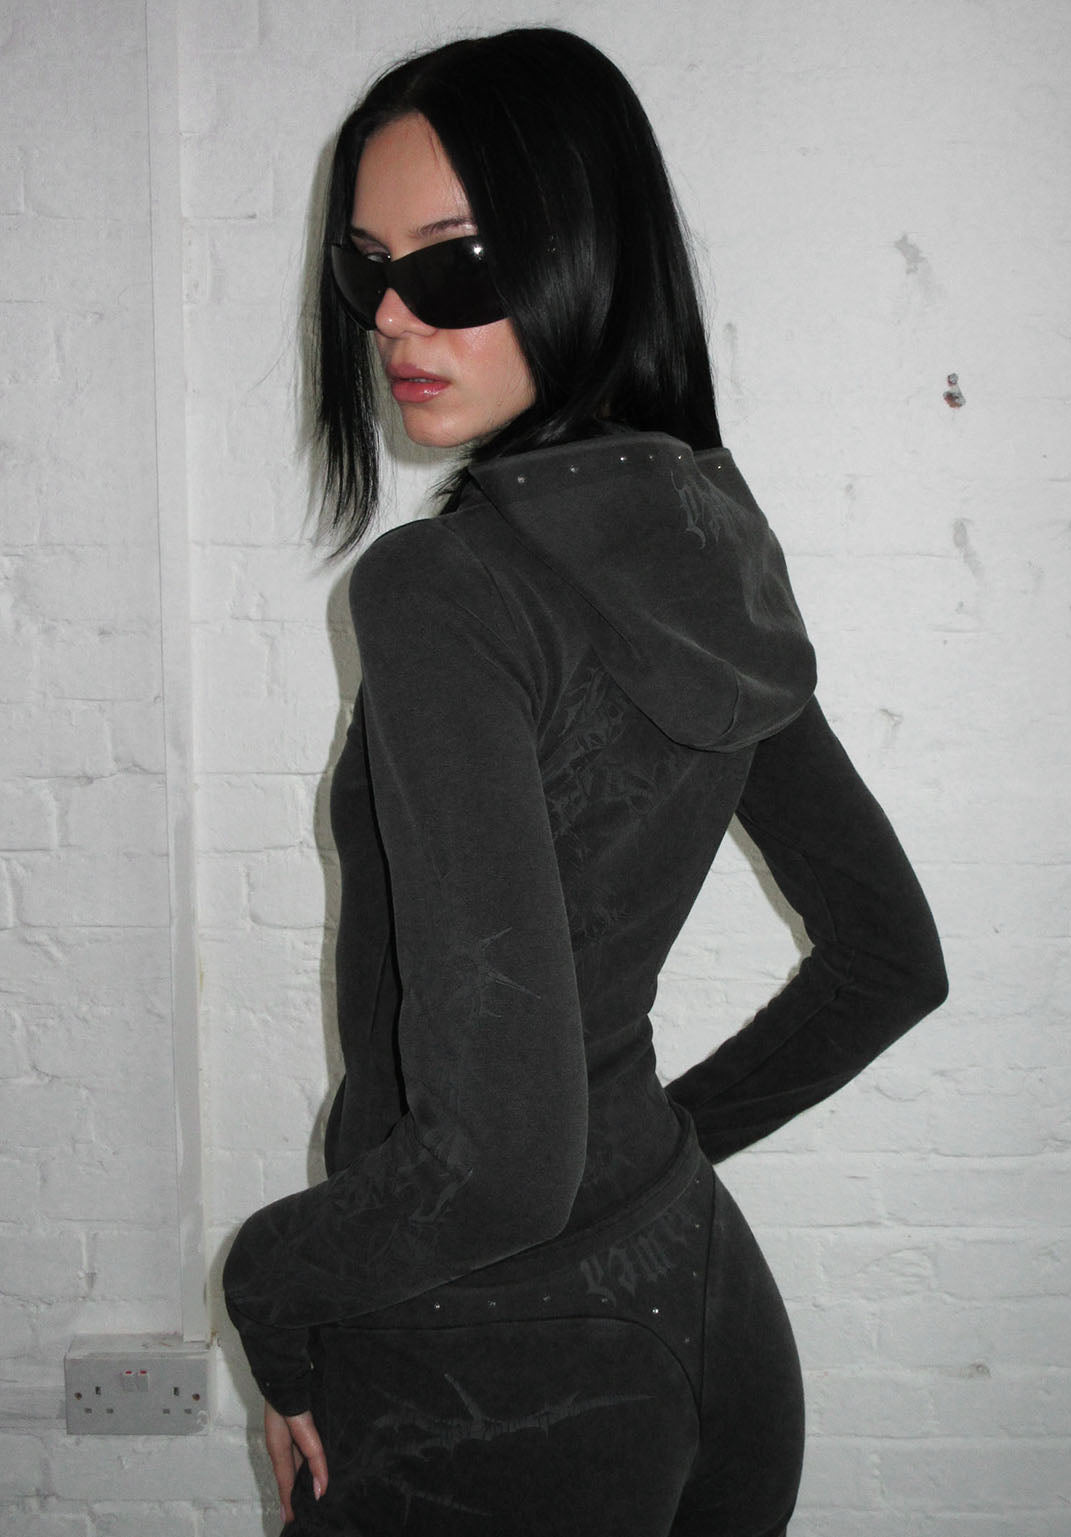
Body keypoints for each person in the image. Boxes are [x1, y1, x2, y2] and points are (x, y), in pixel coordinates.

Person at [223, 27, 948, 1536]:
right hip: (705, 1309)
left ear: (588, 257)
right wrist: (643, 1157)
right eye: (369, 269)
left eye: (458, 262)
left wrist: (268, 1281)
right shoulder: (707, 550)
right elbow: (890, 961)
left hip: (488, 1379)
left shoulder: (445, 588)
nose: (395, 316)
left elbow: (496, 1168)